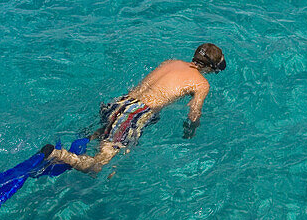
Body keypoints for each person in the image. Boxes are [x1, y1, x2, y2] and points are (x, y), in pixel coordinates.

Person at [44, 43, 226, 174]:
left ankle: (91, 138)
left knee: (113, 130)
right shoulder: (201, 83)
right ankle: (56, 154)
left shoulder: (171, 62)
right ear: (210, 68)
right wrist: (191, 131)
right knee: (98, 166)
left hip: (120, 103)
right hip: (134, 114)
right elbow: (194, 114)